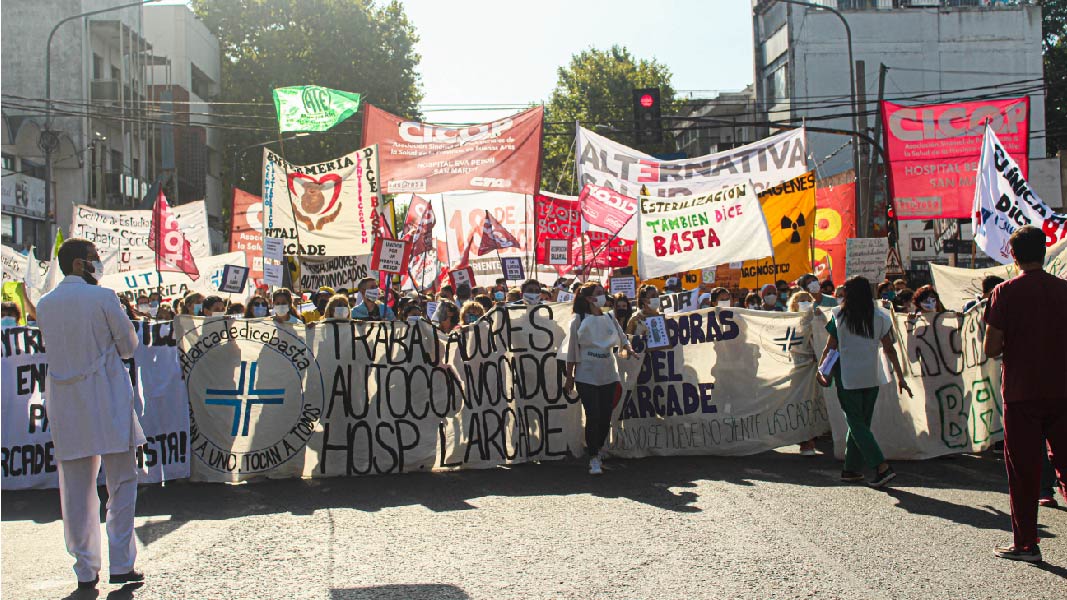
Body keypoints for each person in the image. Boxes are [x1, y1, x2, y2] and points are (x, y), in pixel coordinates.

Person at [34, 238, 145, 589]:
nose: (99, 264)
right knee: (121, 483)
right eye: (95, 258)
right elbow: (128, 346)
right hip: (108, 399)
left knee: (77, 491)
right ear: (79, 264)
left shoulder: (45, 304)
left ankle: (85, 568)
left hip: (67, 406)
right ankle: (122, 564)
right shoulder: (103, 297)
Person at [983, 225, 1067, 562]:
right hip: (1063, 388)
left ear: (1013, 255)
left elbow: (991, 348)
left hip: (1021, 393)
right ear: (1044, 252)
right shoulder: (1064, 290)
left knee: (1023, 471)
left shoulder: (1004, 293)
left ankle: (1027, 543)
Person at [816, 276, 911, 488]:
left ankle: (881, 466)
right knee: (861, 424)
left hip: (847, 375)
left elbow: (830, 347)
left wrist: (822, 370)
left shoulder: (839, 316)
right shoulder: (880, 316)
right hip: (871, 375)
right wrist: (900, 376)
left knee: (856, 423)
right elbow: (889, 349)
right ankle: (850, 469)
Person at [561, 282, 635, 475]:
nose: (603, 296)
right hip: (586, 373)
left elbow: (622, 337)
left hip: (609, 372)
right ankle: (593, 456)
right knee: (593, 415)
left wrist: (628, 348)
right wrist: (570, 376)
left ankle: (599, 449)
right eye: (599, 293)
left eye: (603, 293)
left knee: (605, 416)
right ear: (588, 298)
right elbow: (571, 351)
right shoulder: (578, 319)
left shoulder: (610, 316)